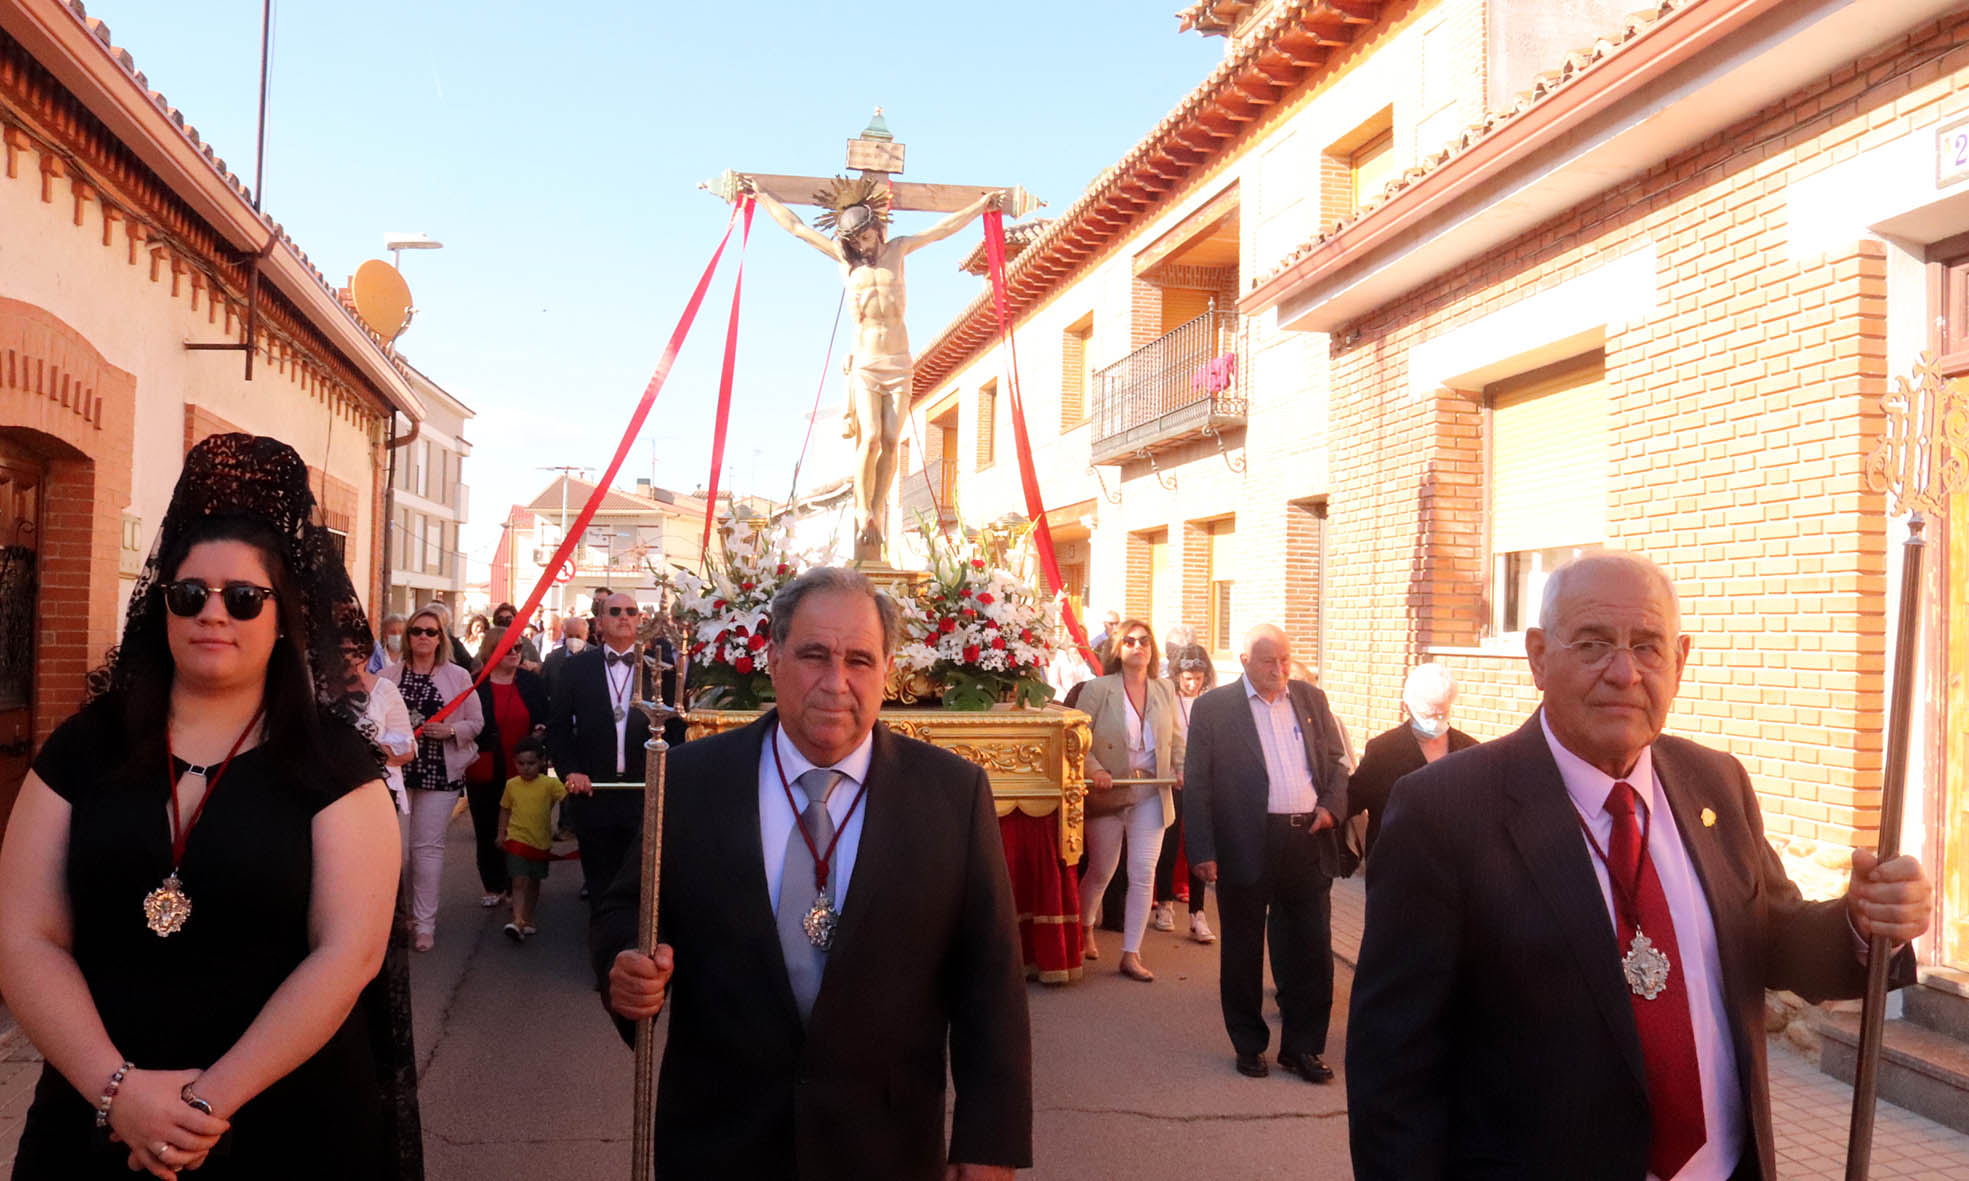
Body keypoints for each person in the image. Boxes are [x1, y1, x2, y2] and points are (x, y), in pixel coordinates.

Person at [1346, 552, 1932, 1180]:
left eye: (1648, 646)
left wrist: (1863, 924)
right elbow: (1393, 1068)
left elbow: (1775, 940)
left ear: (1680, 661)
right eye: (1593, 644)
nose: (1624, 673)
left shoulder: (1717, 783)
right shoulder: (1444, 810)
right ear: (1539, 657)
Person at [0, 433, 408, 1179]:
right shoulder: (85, 749)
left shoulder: (335, 768)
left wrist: (198, 1105)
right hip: (96, 1119)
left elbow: (347, 954)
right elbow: (25, 935)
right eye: (190, 595)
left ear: (283, 618)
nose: (213, 614)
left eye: (243, 598)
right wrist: (119, 1092)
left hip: (286, 1125)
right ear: (163, 608)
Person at [596, 566, 1032, 1178]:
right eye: (814, 655)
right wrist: (624, 963)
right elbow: (626, 907)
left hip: (885, 1148)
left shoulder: (951, 795)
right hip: (719, 1141)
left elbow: (990, 978)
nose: (836, 682)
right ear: (773, 657)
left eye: (860, 660)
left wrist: (989, 1144)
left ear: (887, 670)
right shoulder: (691, 780)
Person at [745, 176, 1002, 556]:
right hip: (866, 362)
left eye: (865, 238)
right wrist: (763, 197)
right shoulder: (845, 261)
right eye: (855, 242)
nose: (861, 247)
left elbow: (942, 229)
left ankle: (877, 511)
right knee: (870, 438)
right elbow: (797, 228)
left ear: (877, 230)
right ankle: (863, 509)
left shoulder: (899, 250)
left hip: (899, 362)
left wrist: (980, 207)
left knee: (891, 440)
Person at [1184, 623, 1349, 1083]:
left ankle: (1303, 1048)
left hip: (1307, 838)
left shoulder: (1310, 699)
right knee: (1243, 949)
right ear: (1244, 662)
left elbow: (1337, 764)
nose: (1279, 669)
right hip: (1245, 840)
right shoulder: (1215, 708)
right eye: (1268, 661)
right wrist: (1202, 849)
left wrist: (1331, 808)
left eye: (1285, 659)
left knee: (1311, 950)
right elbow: (1197, 783)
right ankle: (1249, 1044)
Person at [1074, 619, 1185, 982]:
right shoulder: (1098, 688)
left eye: (1145, 641)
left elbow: (1177, 740)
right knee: (1102, 869)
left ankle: (1131, 953)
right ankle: (1085, 927)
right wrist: (1095, 770)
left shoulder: (1165, 689)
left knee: (1143, 872)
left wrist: (1180, 768)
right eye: (1130, 641)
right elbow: (1078, 738)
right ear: (1118, 649)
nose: (1138, 646)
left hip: (1152, 790)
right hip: (1110, 790)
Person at [379, 606, 483, 952]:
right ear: (408, 636)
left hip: (439, 769)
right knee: (398, 852)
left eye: (431, 631)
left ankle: (425, 924)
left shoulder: (458, 676)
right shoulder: (388, 676)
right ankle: (401, 917)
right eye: (416, 631)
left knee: (427, 850)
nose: (423, 637)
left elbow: (476, 722)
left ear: (441, 638)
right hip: (396, 771)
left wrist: (451, 730)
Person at [548, 593, 651, 904]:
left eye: (631, 611)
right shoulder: (576, 668)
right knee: (600, 884)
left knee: (640, 885)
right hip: (593, 791)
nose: (624, 617)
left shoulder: (660, 669)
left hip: (644, 792)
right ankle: (602, 932)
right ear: (600, 623)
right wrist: (571, 770)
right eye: (615, 611)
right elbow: (558, 728)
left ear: (640, 620)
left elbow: (675, 730)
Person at [1345, 662, 1477, 865]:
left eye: (1442, 714)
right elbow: (1353, 797)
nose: (1436, 721)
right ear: (1407, 707)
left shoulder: (1469, 750)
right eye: (1428, 715)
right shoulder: (1383, 751)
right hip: (1397, 864)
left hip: (1453, 865)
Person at [467, 644, 549, 908]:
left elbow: (545, 712)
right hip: (487, 766)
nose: (514, 652)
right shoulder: (475, 684)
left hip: (525, 768)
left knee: (525, 827)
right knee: (488, 827)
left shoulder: (531, 681)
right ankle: (493, 884)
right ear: (491, 652)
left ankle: (519, 885)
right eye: (507, 649)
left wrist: (541, 728)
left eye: (518, 647)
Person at [1153, 644, 1216, 944]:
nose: (1193, 684)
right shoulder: (1169, 701)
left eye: (1198, 678)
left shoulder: (1210, 703)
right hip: (1174, 780)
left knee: (1198, 846)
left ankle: (1198, 913)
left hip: (1201, 783)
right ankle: (1164, 903)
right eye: (1188, 678)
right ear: (1177, 675)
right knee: (1169, 842)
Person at [496, 738, 566, 944]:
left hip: (540, 844)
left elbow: (567, 797)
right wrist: (501, 834)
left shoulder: (550, 784)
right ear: (514, 763)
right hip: (516, 841)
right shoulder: (511, 785)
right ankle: (517, 920)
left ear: (542, 762)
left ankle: (527, 918)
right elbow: (505, 810)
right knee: (518, 881)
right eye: (521, 763)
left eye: (531, 763)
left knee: (534, 882)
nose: (526, 768)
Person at [343, 632, 416, 815]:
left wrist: (365, 752)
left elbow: (407, 751)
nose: (348, 658)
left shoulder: (385, 689)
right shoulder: (315, 690)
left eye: (354, 651)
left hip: (376, 790)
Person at [541, 615, 587, 698]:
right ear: (565, 634)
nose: (574, 640)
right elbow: (544, 690)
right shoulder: (552, 658)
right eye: (570, 636)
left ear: (586, 635)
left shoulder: (598, 657)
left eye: (578, 636)